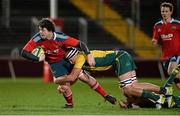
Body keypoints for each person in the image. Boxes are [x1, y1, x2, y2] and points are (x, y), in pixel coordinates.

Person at [21, 18, 116, 108]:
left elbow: (80, 44)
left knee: (84, 77)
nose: (40, 32)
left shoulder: (60, 37)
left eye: (43, 30)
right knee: (63, 87)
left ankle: (106, 95)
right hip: (55, 64)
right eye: (39, 30)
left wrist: (89, 55)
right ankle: (70, 104)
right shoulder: (37, 38)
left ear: (50, 30)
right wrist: (37, 59)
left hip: (67, 58)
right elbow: (24, 52)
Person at [60, 47, 177, 109]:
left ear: (75, 55)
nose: (70, 61)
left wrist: (59, 82)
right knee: (132, 89)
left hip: (120, 58)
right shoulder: (80, 61)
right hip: (122, 56)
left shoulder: (80, 58)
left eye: (71, 58)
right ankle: (165, 91)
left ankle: (157, 98)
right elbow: (89, 80)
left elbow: (73, 77)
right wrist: (105, 95)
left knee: (128, 89)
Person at [152, 2, 180, 89]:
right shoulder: (157, 25)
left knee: (172, 70)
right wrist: (154, 41)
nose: (164, 13)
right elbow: (155, 38)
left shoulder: (177, 24)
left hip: (177, 54)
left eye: (166, 11)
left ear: (171, 12)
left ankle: (165, 91)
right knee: (176, 79)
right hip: (165, 56)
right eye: (163, 11)